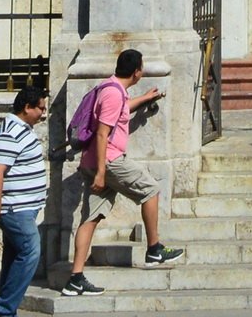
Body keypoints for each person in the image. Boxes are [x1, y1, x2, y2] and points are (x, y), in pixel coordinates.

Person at [57, 49, 184, 296]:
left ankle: (75, 278)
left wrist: (145, 98)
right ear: (137, 72)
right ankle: (154, 249)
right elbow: (103, 133)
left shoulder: (110, 87)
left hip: (92, 161)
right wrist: (102, 172)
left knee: (90, 218)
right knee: (150, 189)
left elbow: (122, 109)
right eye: (142, 68)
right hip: (109, 161)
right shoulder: (114, 95)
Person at [0, 86, 50, 317]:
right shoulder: (9, 132)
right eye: (40, 108)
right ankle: (3, 311)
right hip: (14, 208)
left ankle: (4, 310)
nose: (43, 113)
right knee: (30, 251)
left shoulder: (22, 129)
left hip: (24, 207)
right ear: (27, 107)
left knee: (14, 256)